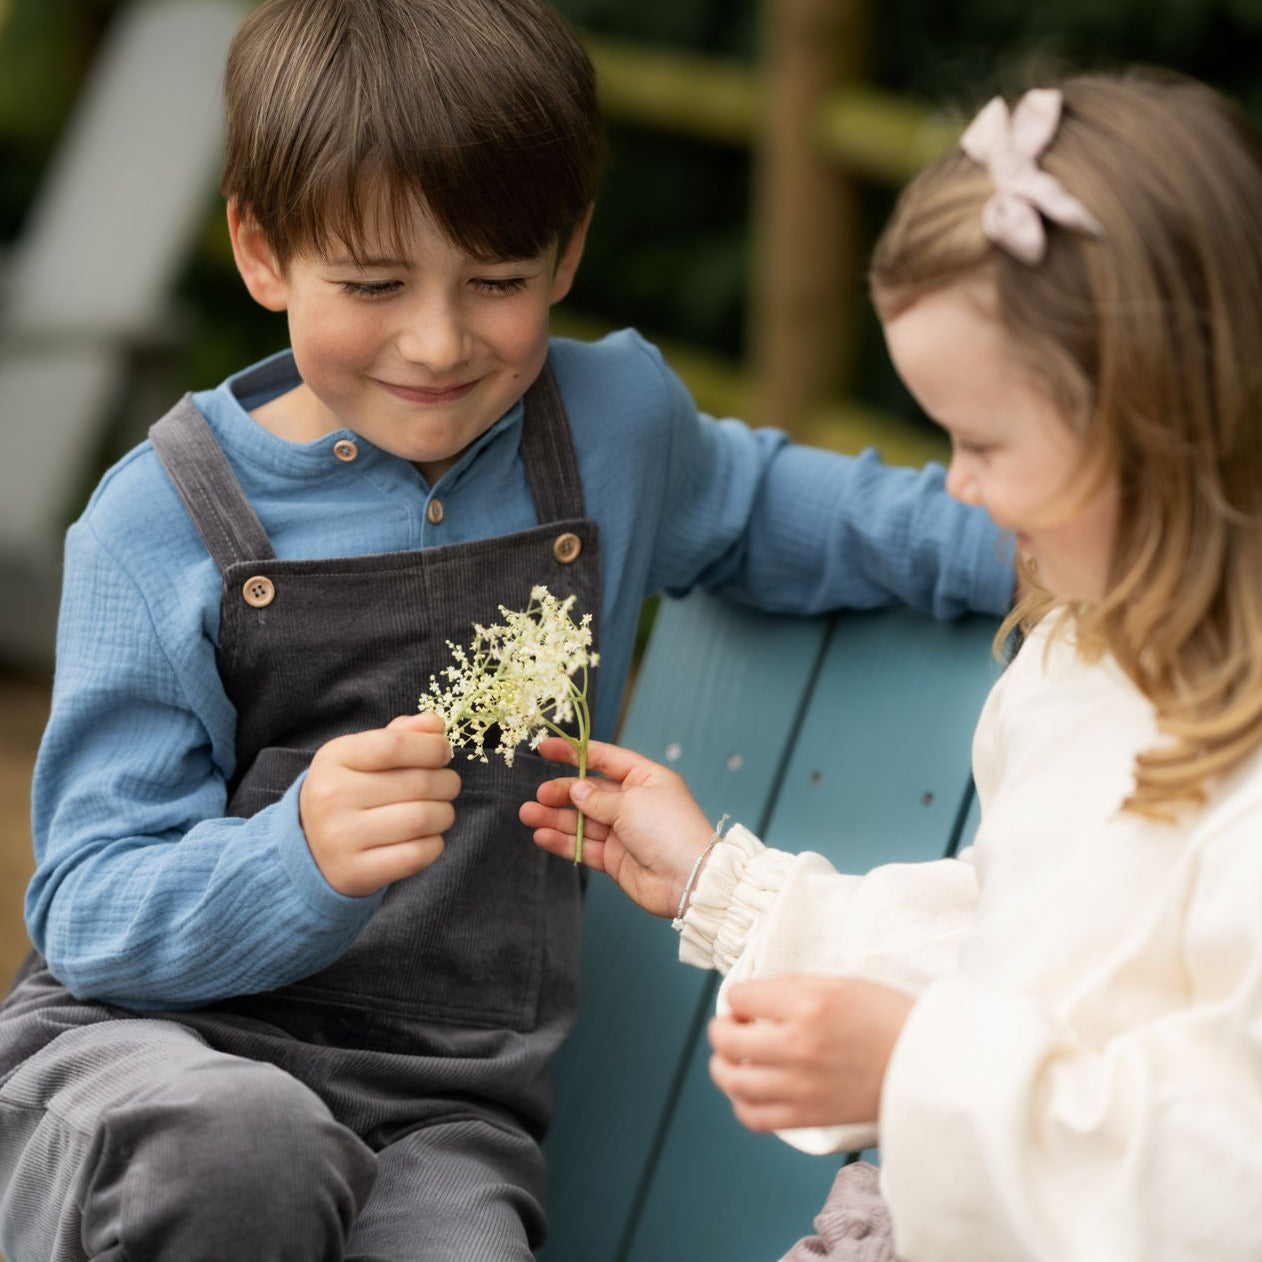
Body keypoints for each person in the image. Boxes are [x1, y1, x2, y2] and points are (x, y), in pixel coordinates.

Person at [0, 1, 1014, 1260]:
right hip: (156, 1066)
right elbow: (87, 907)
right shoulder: (160, 524)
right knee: (250, 1143)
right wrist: (292, 857)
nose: (437, 339)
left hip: (443, 1106)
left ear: (569, 248)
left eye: (496, 281)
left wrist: (1126, 538)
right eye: (372, 284)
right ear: (261, 253)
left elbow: (858, 520)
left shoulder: (608, 431)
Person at [523, 70, 1262, 1262]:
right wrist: (722, 883)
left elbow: (1225, 1169)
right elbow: (1003, 948)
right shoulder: (1074, 661)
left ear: (1155, 420)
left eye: (981, 440)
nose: (955, 484)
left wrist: (918, 1070)